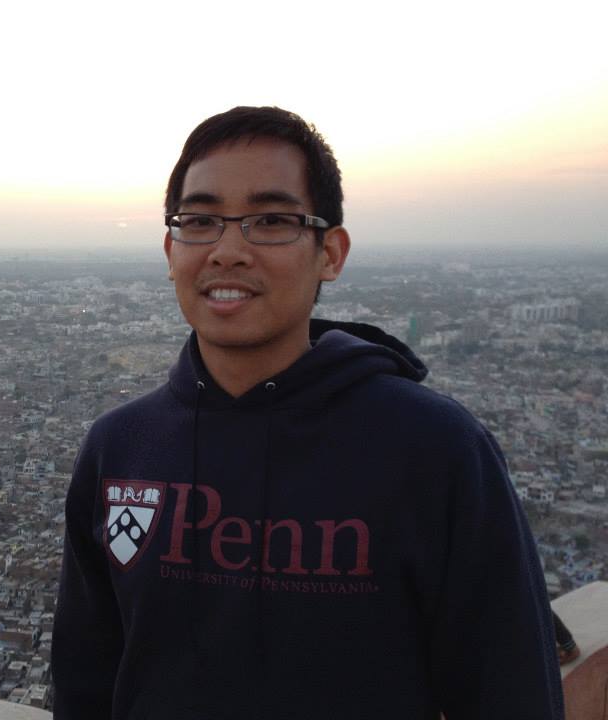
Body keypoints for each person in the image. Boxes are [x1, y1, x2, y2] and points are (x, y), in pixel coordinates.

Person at [51, 106, 564, 719]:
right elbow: (85, 682)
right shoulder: (121, 448)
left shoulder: (433, 448)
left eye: (272, 220)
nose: (228, 250)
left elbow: (511, 690)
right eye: (201, 221)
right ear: (170, 249)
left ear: (331, 253)